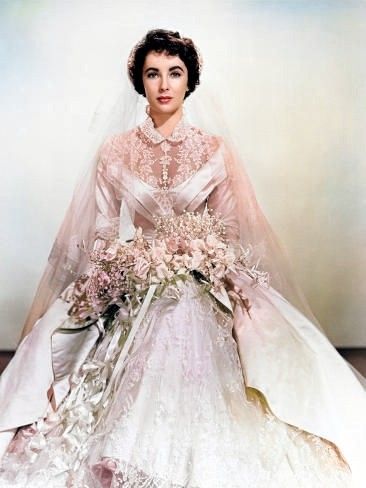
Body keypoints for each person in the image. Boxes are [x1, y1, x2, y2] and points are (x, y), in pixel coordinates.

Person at [0, 28, 365, 487]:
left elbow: (231, 228)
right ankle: (124, 441)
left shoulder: (214, 151)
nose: (165, 84)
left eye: (175, 73)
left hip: (202, 276)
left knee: (186, 310)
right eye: (154, 74)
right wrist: (132, 261)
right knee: (148, 314)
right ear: (141, 83)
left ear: (190, 80)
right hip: (135, 277)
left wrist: (199, 253)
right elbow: (102, 233)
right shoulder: (114, 152)